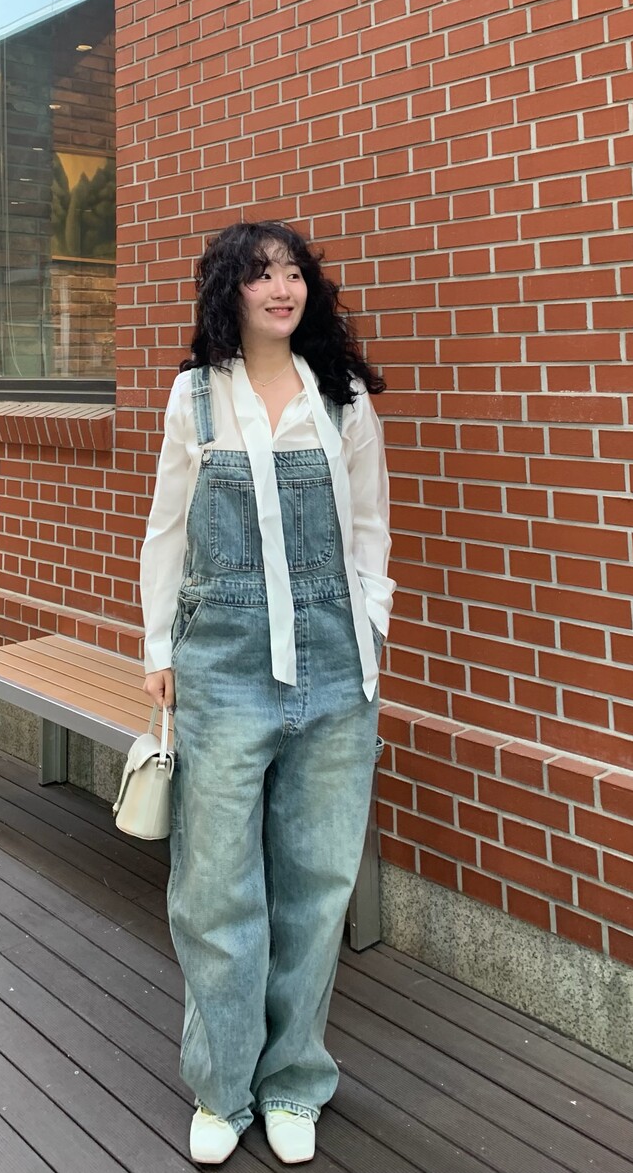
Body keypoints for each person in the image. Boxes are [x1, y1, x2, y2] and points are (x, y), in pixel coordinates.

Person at [140, 220, 394, 1166]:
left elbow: (369, 526)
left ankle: (293, 1081)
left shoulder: (341, 397)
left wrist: (371, 628)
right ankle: (222, 1086)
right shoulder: (195, 397)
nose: (282, 288)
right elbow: (167, 528)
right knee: (215, 888)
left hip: (336, 664)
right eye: (260, 275)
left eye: (293, 272)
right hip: (221, 664)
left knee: (318, 885)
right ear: (230, 293)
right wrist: (157, 646)